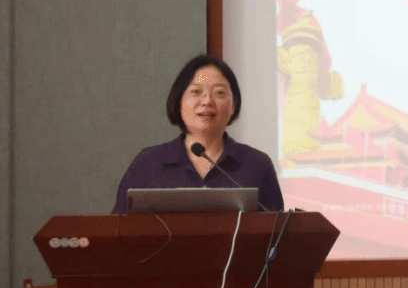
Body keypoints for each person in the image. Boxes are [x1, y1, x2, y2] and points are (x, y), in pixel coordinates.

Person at [112, 55, 284, 213]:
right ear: (179, 100)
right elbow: (118, 228)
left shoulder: (257, 165)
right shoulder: (148, 164)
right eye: (196, 92)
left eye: (219, 93)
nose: (207, 101)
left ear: (234, 105)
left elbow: (278, 232)